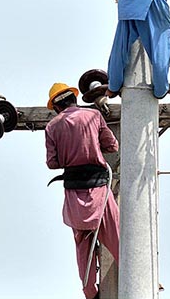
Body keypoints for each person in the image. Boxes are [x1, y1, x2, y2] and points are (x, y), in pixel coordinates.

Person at [45, 82, 120, 299]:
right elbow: (112, 146)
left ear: (57, 107)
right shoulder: (94, 116)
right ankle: (142, 278)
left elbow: (52, 162)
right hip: (99, 192)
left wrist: (70, 153)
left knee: (82, 248)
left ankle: (89, 292)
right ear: (74, 99)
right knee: (118, 240)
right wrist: (93, 145)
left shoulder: (52, 127)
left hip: (73, 197)